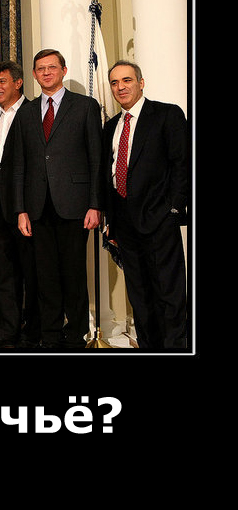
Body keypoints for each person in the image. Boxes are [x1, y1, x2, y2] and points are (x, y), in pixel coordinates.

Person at [12, 49, 102, 349]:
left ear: (63, 70)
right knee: (45, 277)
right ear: (34, 75)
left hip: (75, 205)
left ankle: (76, 336)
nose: (46, 72)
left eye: (52, 67)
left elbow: (96, 159)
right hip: (37, 207)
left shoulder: (85, 106)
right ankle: (50, 337)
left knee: (74, 275)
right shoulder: (26, 112)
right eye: (40, 68)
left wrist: (95, 204)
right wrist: (21, 210)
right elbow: (19, 164)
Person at [102, 61, 189, 350]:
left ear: (141, 83)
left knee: (168, 291)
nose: (120, 87)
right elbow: (108, 174)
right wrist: (111, 221)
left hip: (159, 218)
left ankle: (175, 348)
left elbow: (182, 164)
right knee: (139, 293)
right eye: (115, 82)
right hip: (124, 222)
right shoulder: (111, 126)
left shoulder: (166, 115)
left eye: (127, 80)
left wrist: (174, 209)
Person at [0, 61, 40, 349]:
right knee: (4, 274)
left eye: (2, 81)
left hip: (28, 208)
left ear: (18, 83)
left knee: (33, 273)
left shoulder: (34, 113)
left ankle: (34, 334)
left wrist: (26, 206)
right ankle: (6, 334)